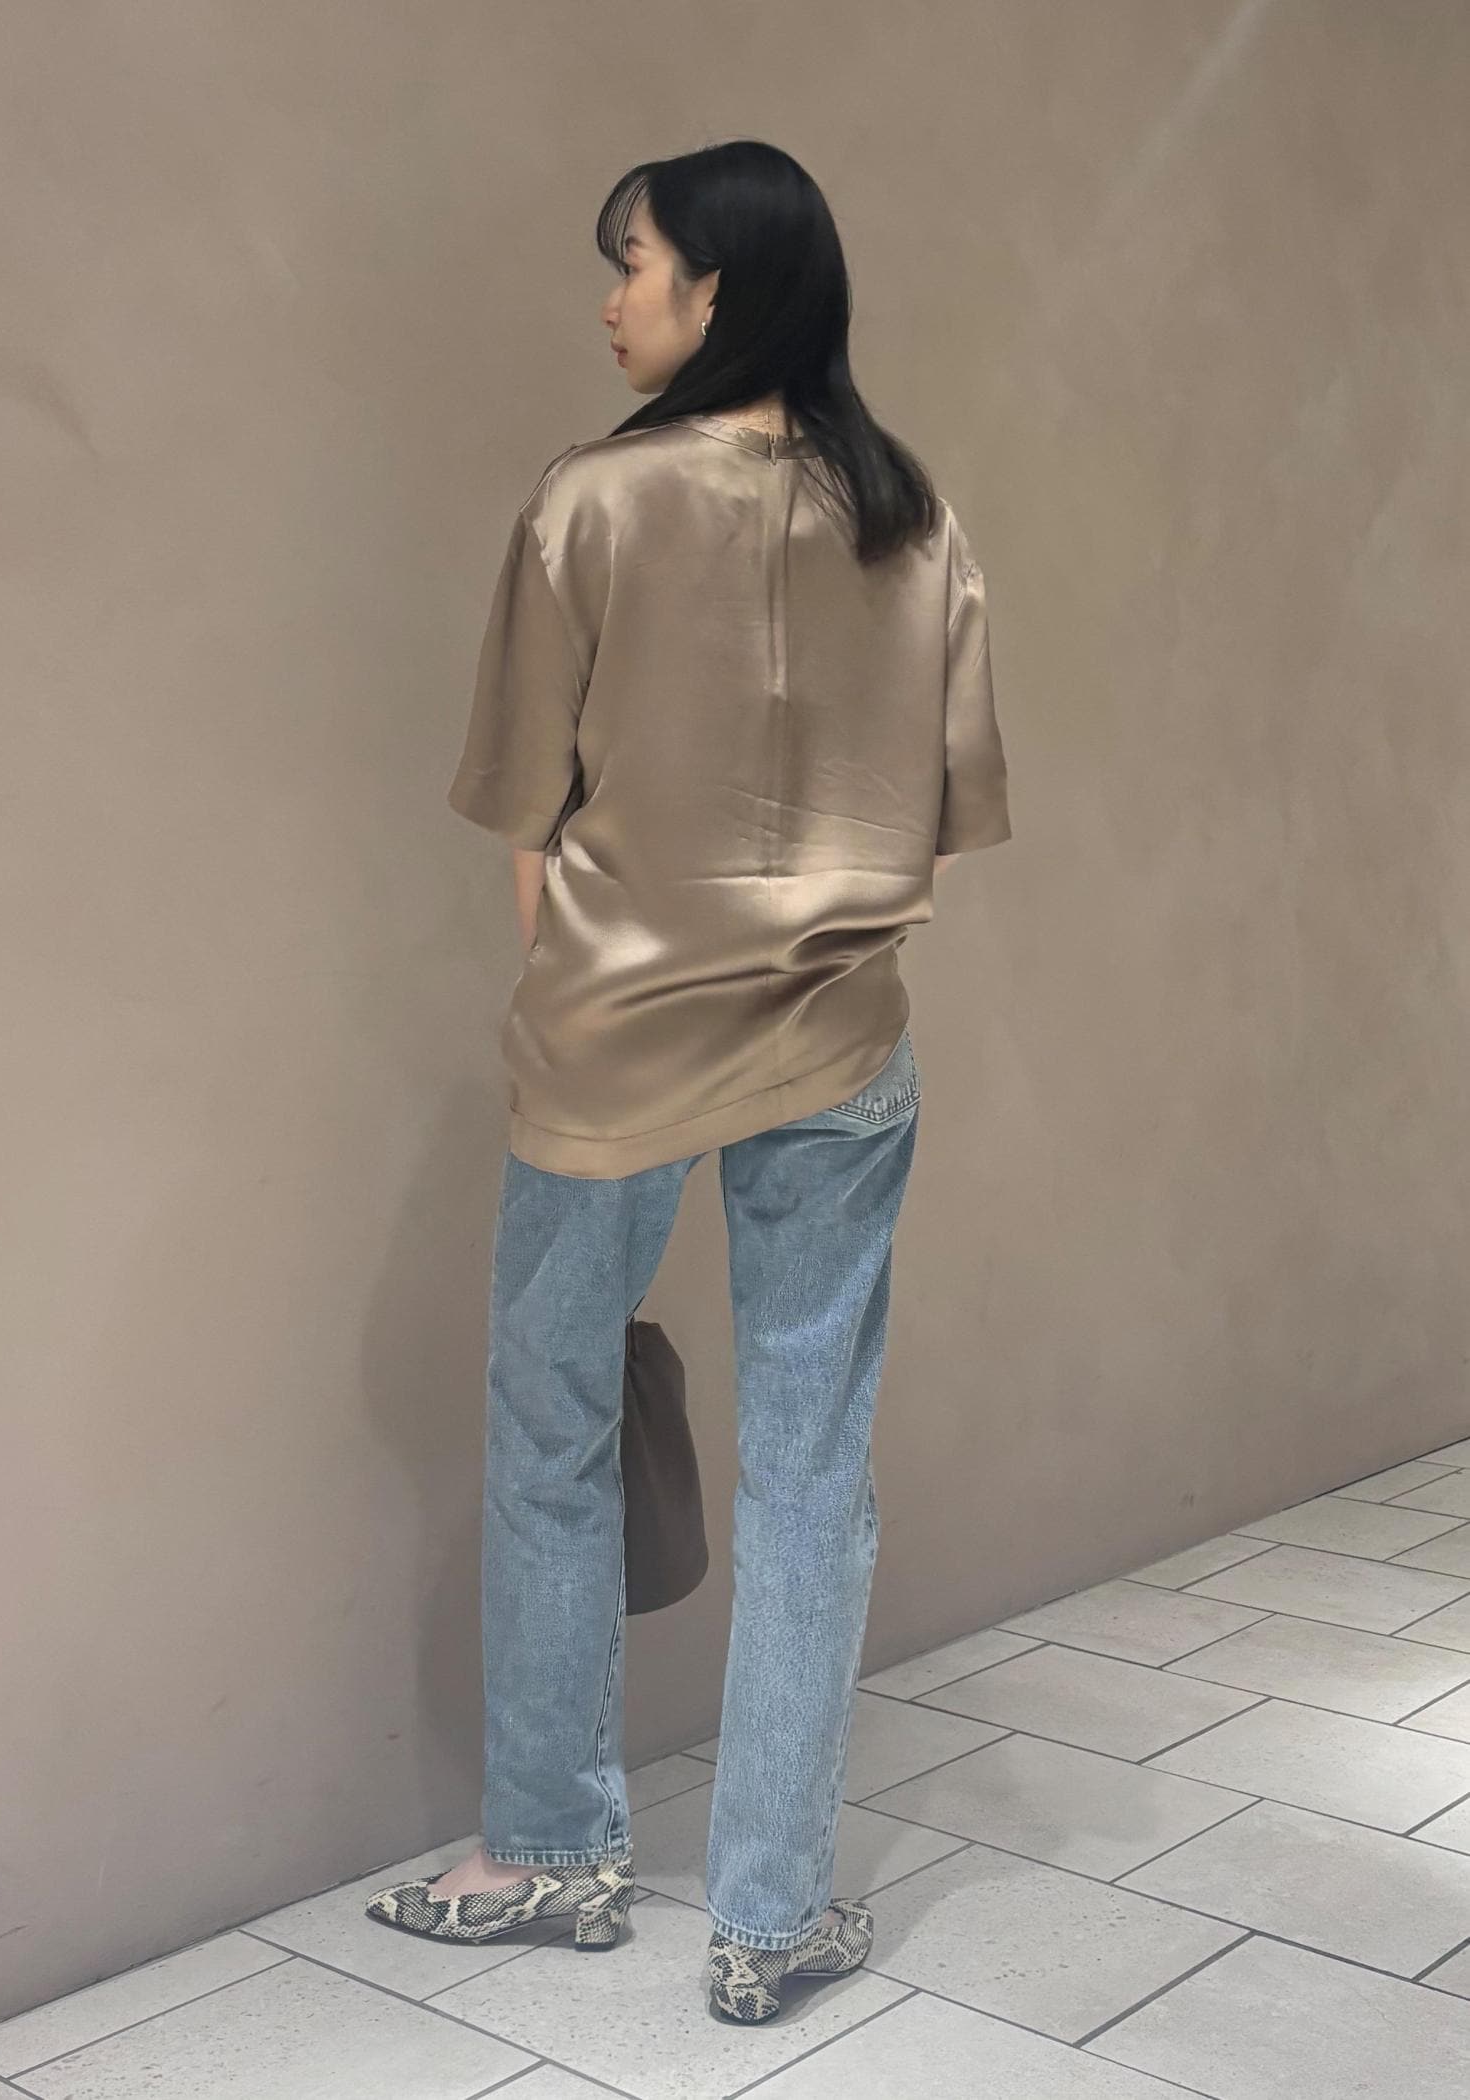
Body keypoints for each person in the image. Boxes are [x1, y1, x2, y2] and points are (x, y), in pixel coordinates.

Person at [366, 138, 1011, 2024]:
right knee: (813, 1466)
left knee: (553, 1421)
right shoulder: (914, 518)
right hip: (841, 1039)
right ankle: (771, 1913)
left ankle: (552, 1849)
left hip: (613, 1050)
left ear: (717, 287)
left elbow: (526, 815)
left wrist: (587, 989)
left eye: (632, 263)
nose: (611, 297)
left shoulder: (590, 503)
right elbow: (945, 819)